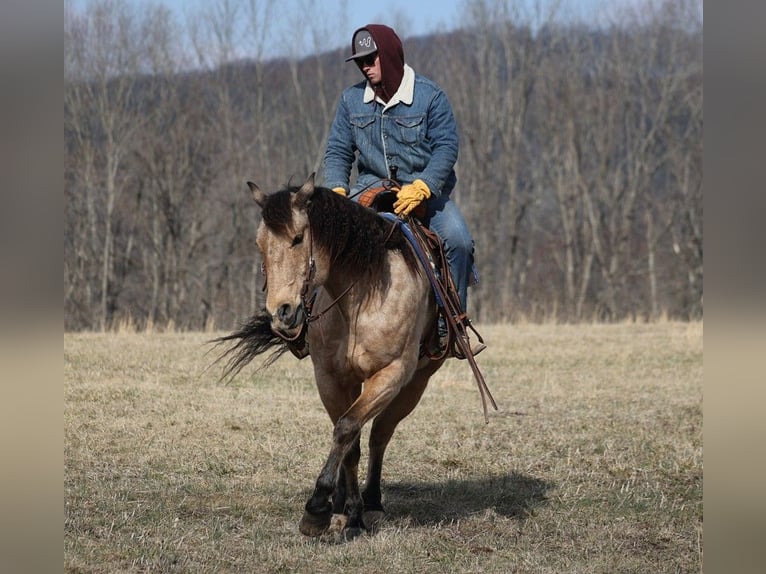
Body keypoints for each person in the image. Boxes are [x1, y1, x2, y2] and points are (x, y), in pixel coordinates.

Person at [323, 24, 482, 354]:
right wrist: (337, 191)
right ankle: (309, 329)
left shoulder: (430, 97)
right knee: (324, 235)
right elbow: (338, 151)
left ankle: (450, 325)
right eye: (360, 61)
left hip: (425, 192)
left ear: (390, 56)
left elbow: (446, 148)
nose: (364, 66)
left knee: (458, 241)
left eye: (371, 59)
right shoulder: (351, 100)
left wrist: (424, 185)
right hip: (368, 189)